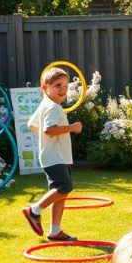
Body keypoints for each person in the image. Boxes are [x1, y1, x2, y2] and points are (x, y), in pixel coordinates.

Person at [22, 67, 82, 242]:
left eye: (65, 86)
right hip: (56, 156)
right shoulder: (52, 108)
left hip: (56, 155)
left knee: (60, 192)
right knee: (64, 188)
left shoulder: (46, 105)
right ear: (45, 87)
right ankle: (34, 211)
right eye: (57, 85)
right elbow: (49, 130)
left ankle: (55, 231)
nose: (63, 89)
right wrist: (72, 128)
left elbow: (31, 125)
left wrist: (45, 137)